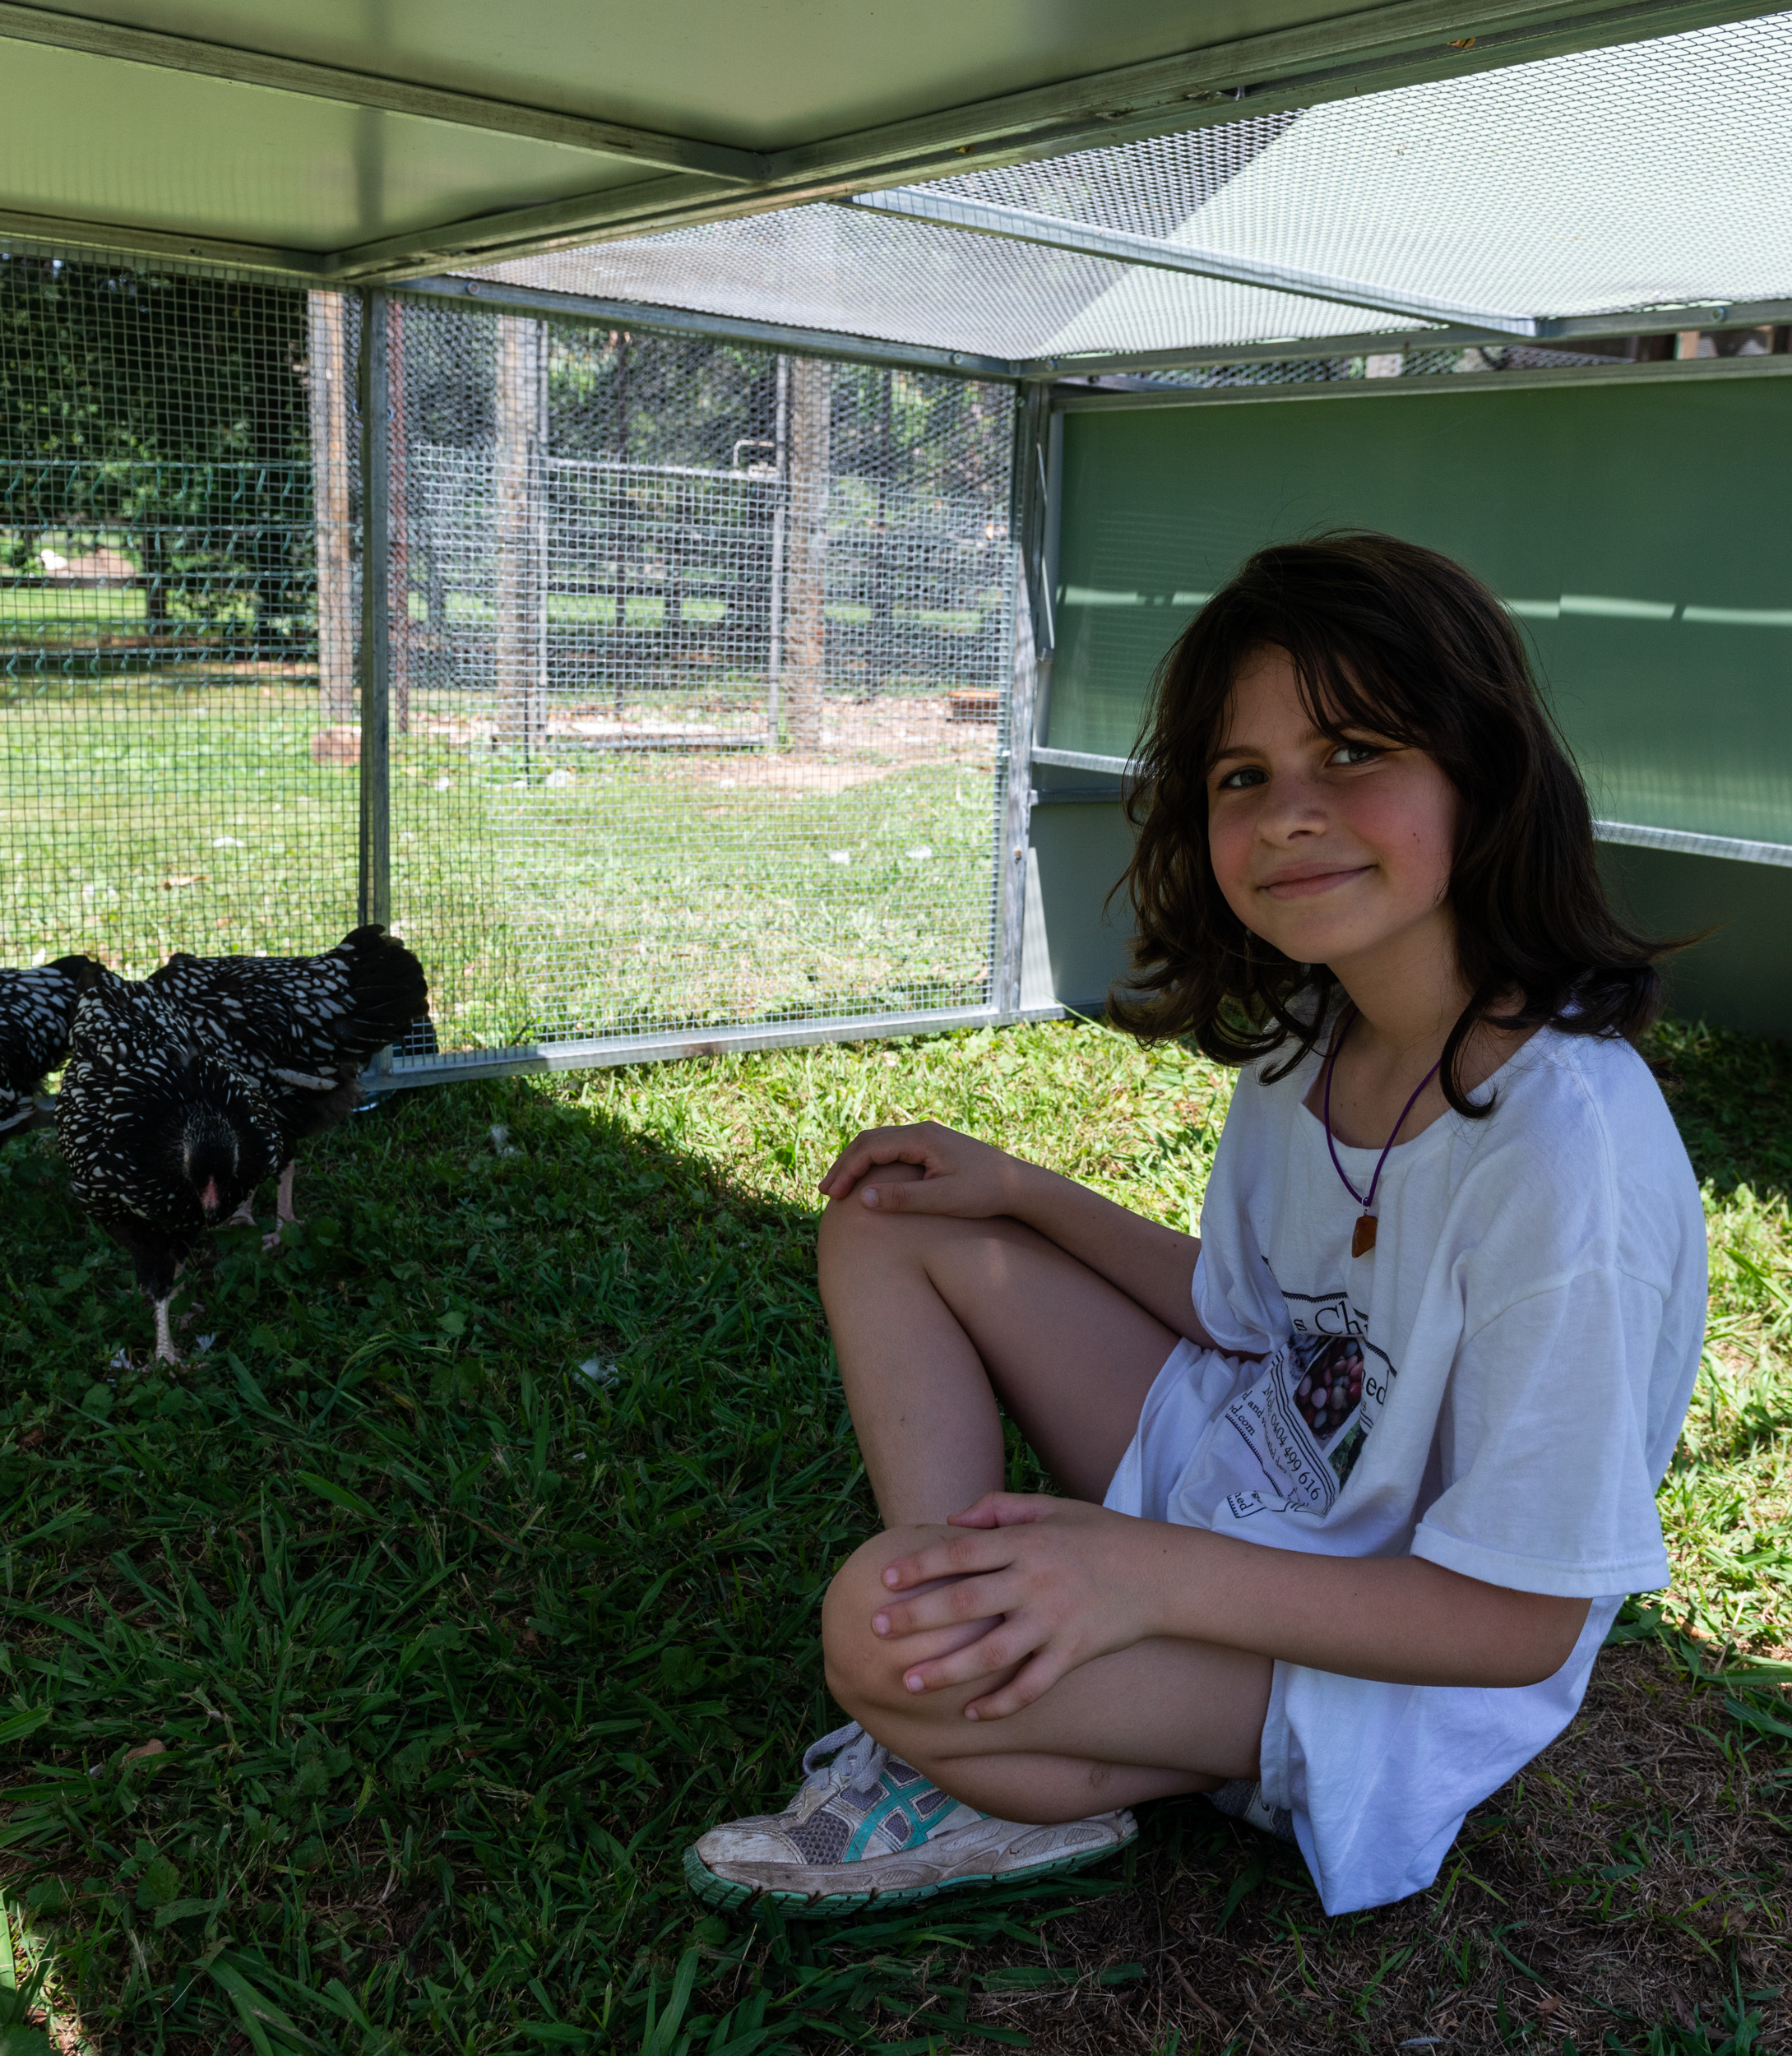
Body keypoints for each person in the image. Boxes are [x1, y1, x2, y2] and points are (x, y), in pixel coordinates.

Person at [683, 532, 1710, 1919]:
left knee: (878, 1626)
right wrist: (1024, 1193)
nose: (1289, 811)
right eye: (1243, 777)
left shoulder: (1565, 1153)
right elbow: (1249, 1317)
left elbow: (1519, 1623)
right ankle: (1008, 1645)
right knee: (888, 1223)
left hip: (1375, 1659)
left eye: (1353, 752)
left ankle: (994, 1724)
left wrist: (1149, 1572)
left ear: (1485, 775)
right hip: (1255, 1479)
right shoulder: (1311, 1034)